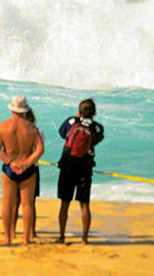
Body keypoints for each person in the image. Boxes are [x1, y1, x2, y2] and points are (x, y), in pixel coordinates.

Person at [0, 95, 44, 246]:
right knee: (27, 204)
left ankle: (8, 238)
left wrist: (10, 162)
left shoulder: (3, 126)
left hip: (10, 168)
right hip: (27, 169)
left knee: (7, 204)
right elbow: (40, 150)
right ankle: (26, 239)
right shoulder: (31, 128)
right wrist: (27, 163)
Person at [57, 97, 105, 245]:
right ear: (94, 113)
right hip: (85, 168)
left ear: (79, 111)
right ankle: (84, 239)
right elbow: (97, 140)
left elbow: (62, 133)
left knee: (65, 203)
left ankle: (62, 236)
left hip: (67, 166)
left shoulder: (72, 122)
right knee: (84, 204)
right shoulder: (97, 128)